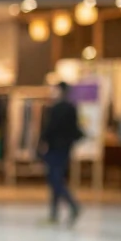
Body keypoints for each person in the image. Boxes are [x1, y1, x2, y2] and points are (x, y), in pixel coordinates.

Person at [39, 82, 83, 226]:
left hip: (54, 149)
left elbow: (50, 128)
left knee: (55, 179)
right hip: (65, 149)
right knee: (56, 179)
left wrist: (41, 143)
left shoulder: (56, 109)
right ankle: (54, 213)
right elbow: (75, 129)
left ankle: (72, 205)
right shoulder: (71, 108)